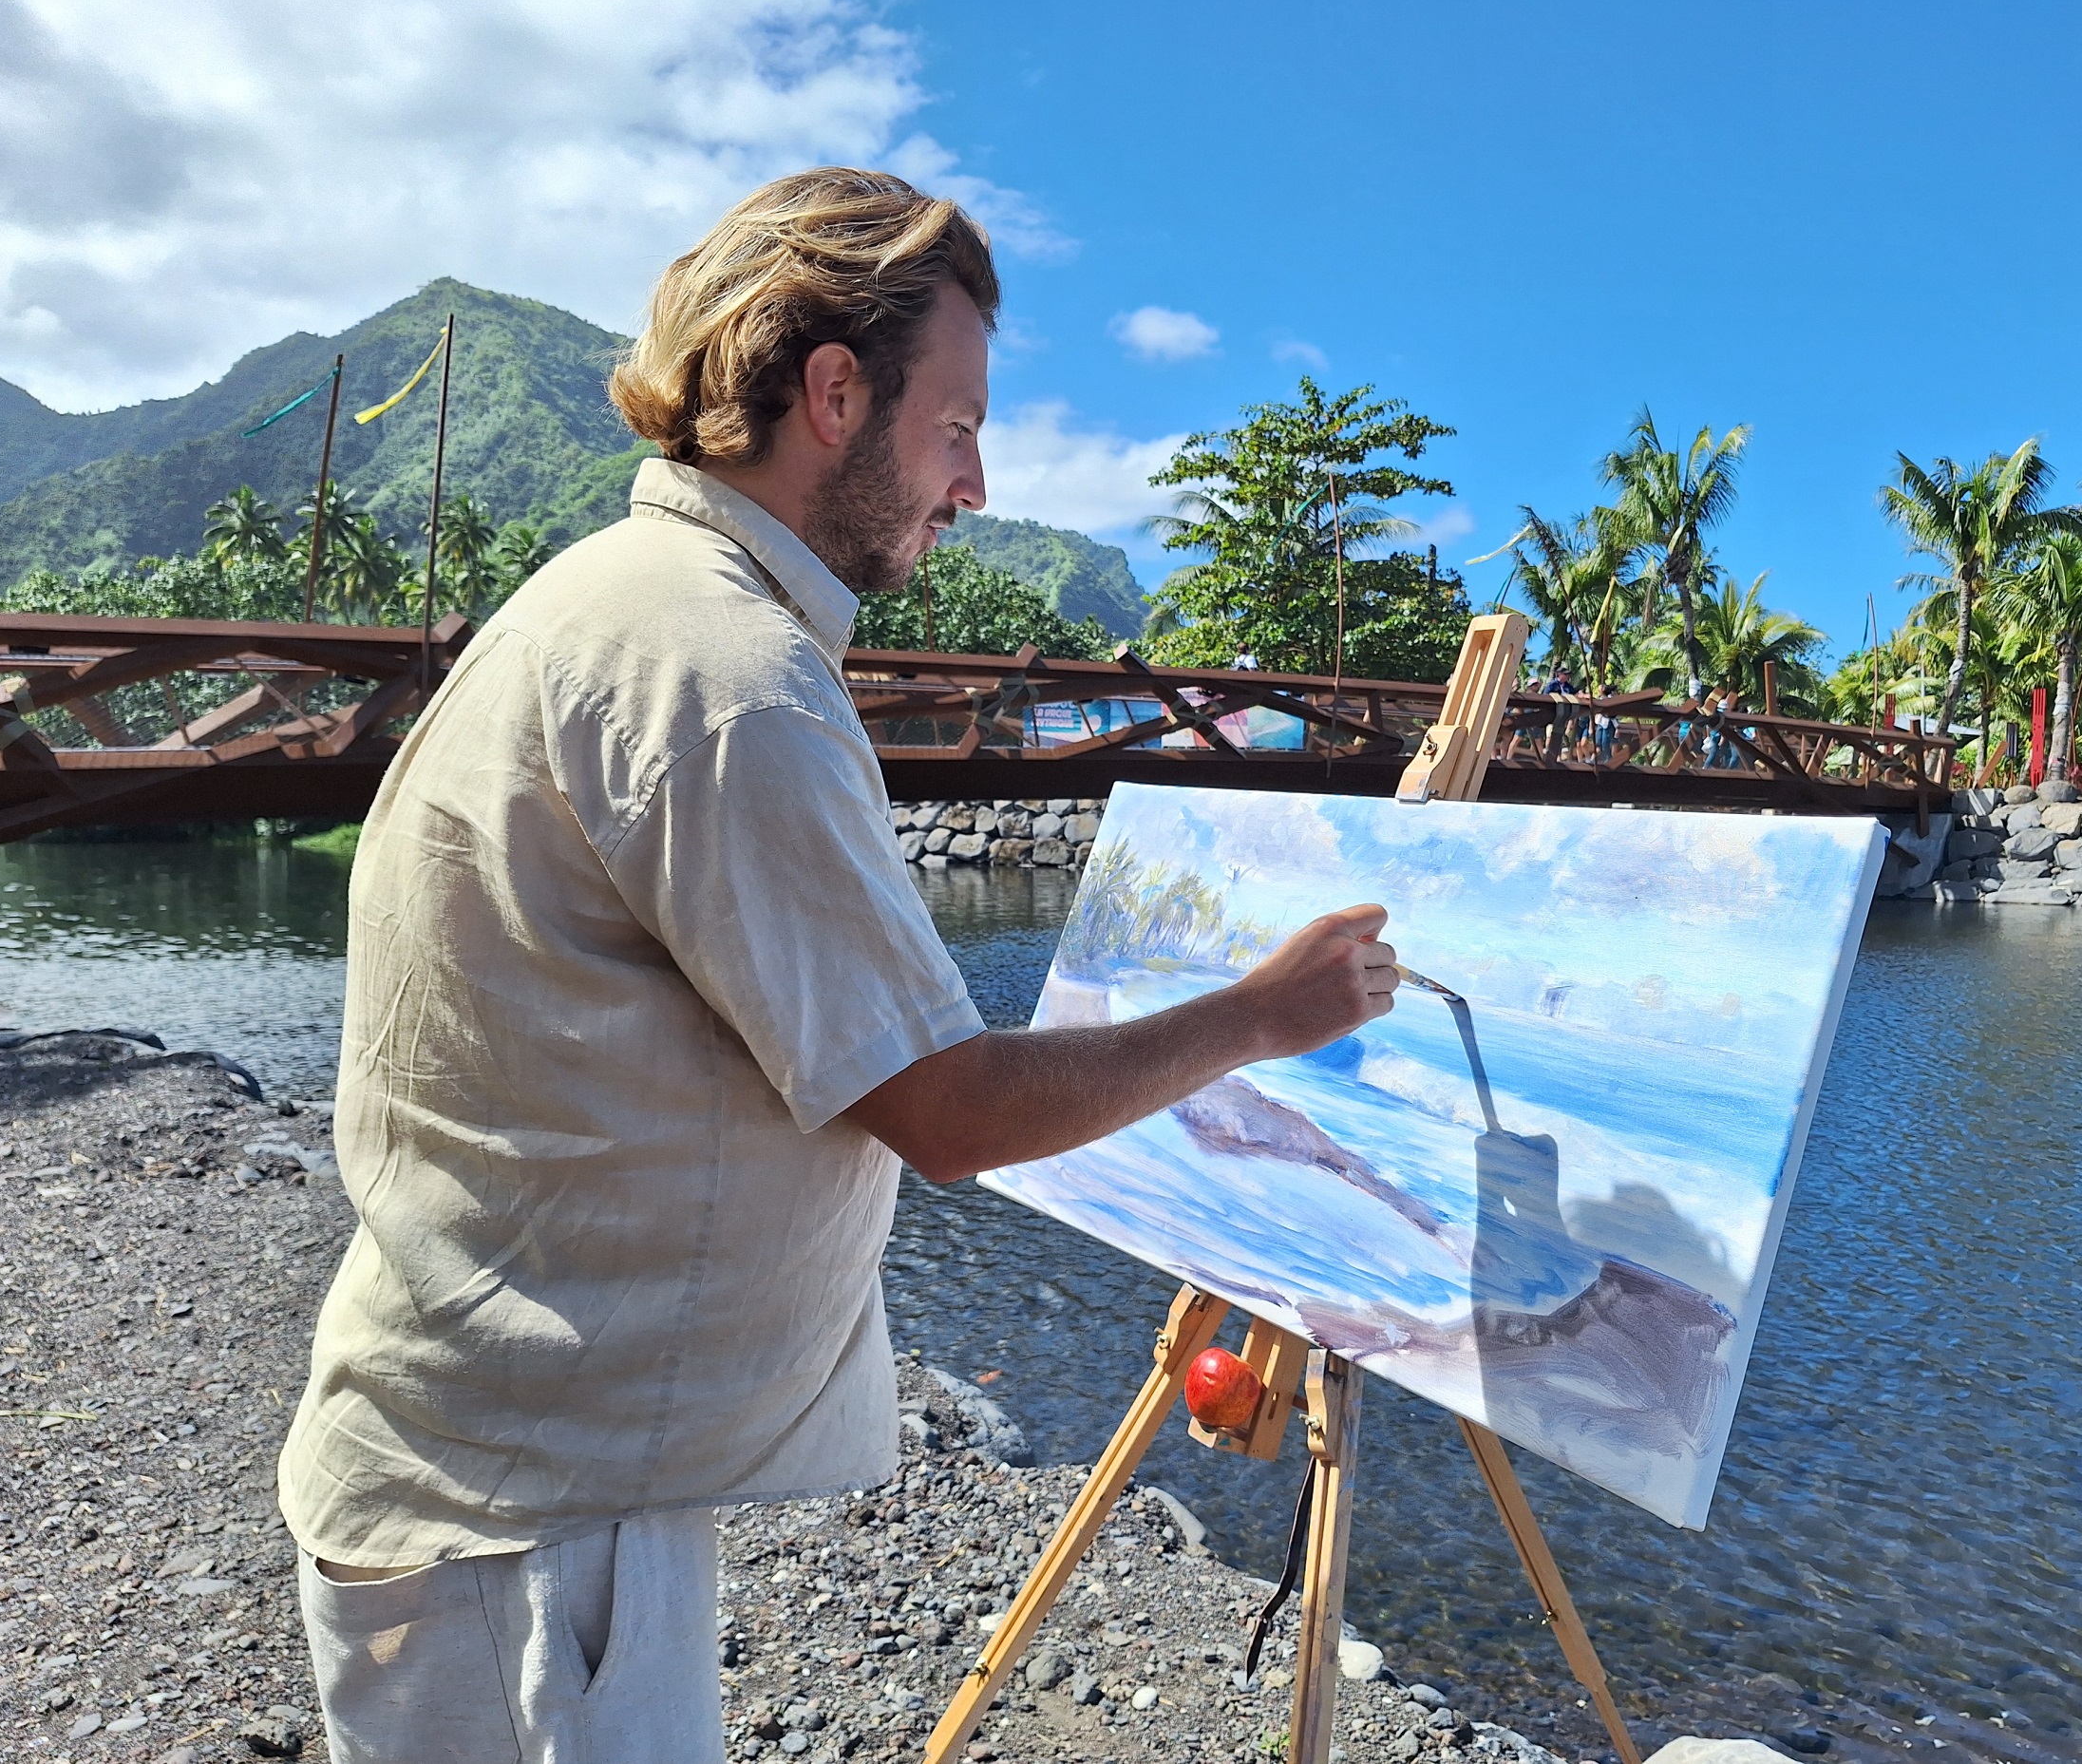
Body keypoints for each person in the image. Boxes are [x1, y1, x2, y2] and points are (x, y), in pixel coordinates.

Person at [277, 168, 1397, 1764]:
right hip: (536, 1526)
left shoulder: (612, 603)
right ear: (831, 392)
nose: (979, 480)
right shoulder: (727, 676)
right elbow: (947, 1110)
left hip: (489, 1459)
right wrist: (1262, 1013)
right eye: (957, 424)